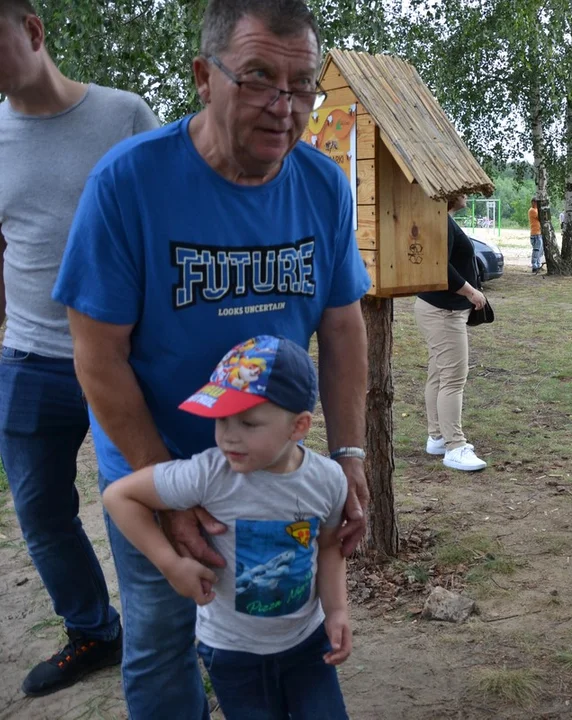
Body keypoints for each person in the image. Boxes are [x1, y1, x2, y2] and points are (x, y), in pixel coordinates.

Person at [50, 1, 372, 717]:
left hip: (272, 468)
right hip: (161, 466)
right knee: (166, 635)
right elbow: (97, 355)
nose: (284, 106)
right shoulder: (129, 183)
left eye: (301, 83)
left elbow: (343, 327)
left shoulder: (322, 186)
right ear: (203, 75)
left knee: (281, 627)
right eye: (258, 77)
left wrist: (349, 453)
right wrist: (166, 491)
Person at [0, 0, 160, 697]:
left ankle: (172, 640)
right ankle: (94, 632)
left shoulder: (124, 116)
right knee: (39, 511)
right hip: (30, 360)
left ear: (32, 31)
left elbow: (168, 229)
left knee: (142, 506)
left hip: (126, 362)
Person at [102, 336, 351, 718]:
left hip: (307, 646)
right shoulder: (208, 473)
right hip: (232, 653)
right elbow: (119, 497)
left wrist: (336, 611)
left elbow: (330, 546)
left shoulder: (328, 480)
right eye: (221, 419)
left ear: (298, 426)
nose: (229, 436)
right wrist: (170, 564)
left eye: (249, 423)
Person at [416, 195, 488, 472]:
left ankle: (437, 436)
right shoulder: (439, 220)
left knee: (439, 374)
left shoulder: (440, 219)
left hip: (437, 309)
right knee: (453, 379)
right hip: (443, 312)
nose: (468, 194)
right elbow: (437, 265)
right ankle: (454, 447)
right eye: (463, 190)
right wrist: (471, 292)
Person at [528, 198, 543, 273]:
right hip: (535, 234)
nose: (536, 204)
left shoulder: (536, 210)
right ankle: (534, 266)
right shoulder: (532, 211)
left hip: (538, 233)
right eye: (536, 203)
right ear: (533, 203)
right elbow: (540, 218)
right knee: (536, 250)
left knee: (539, 251)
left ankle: (538, 265)